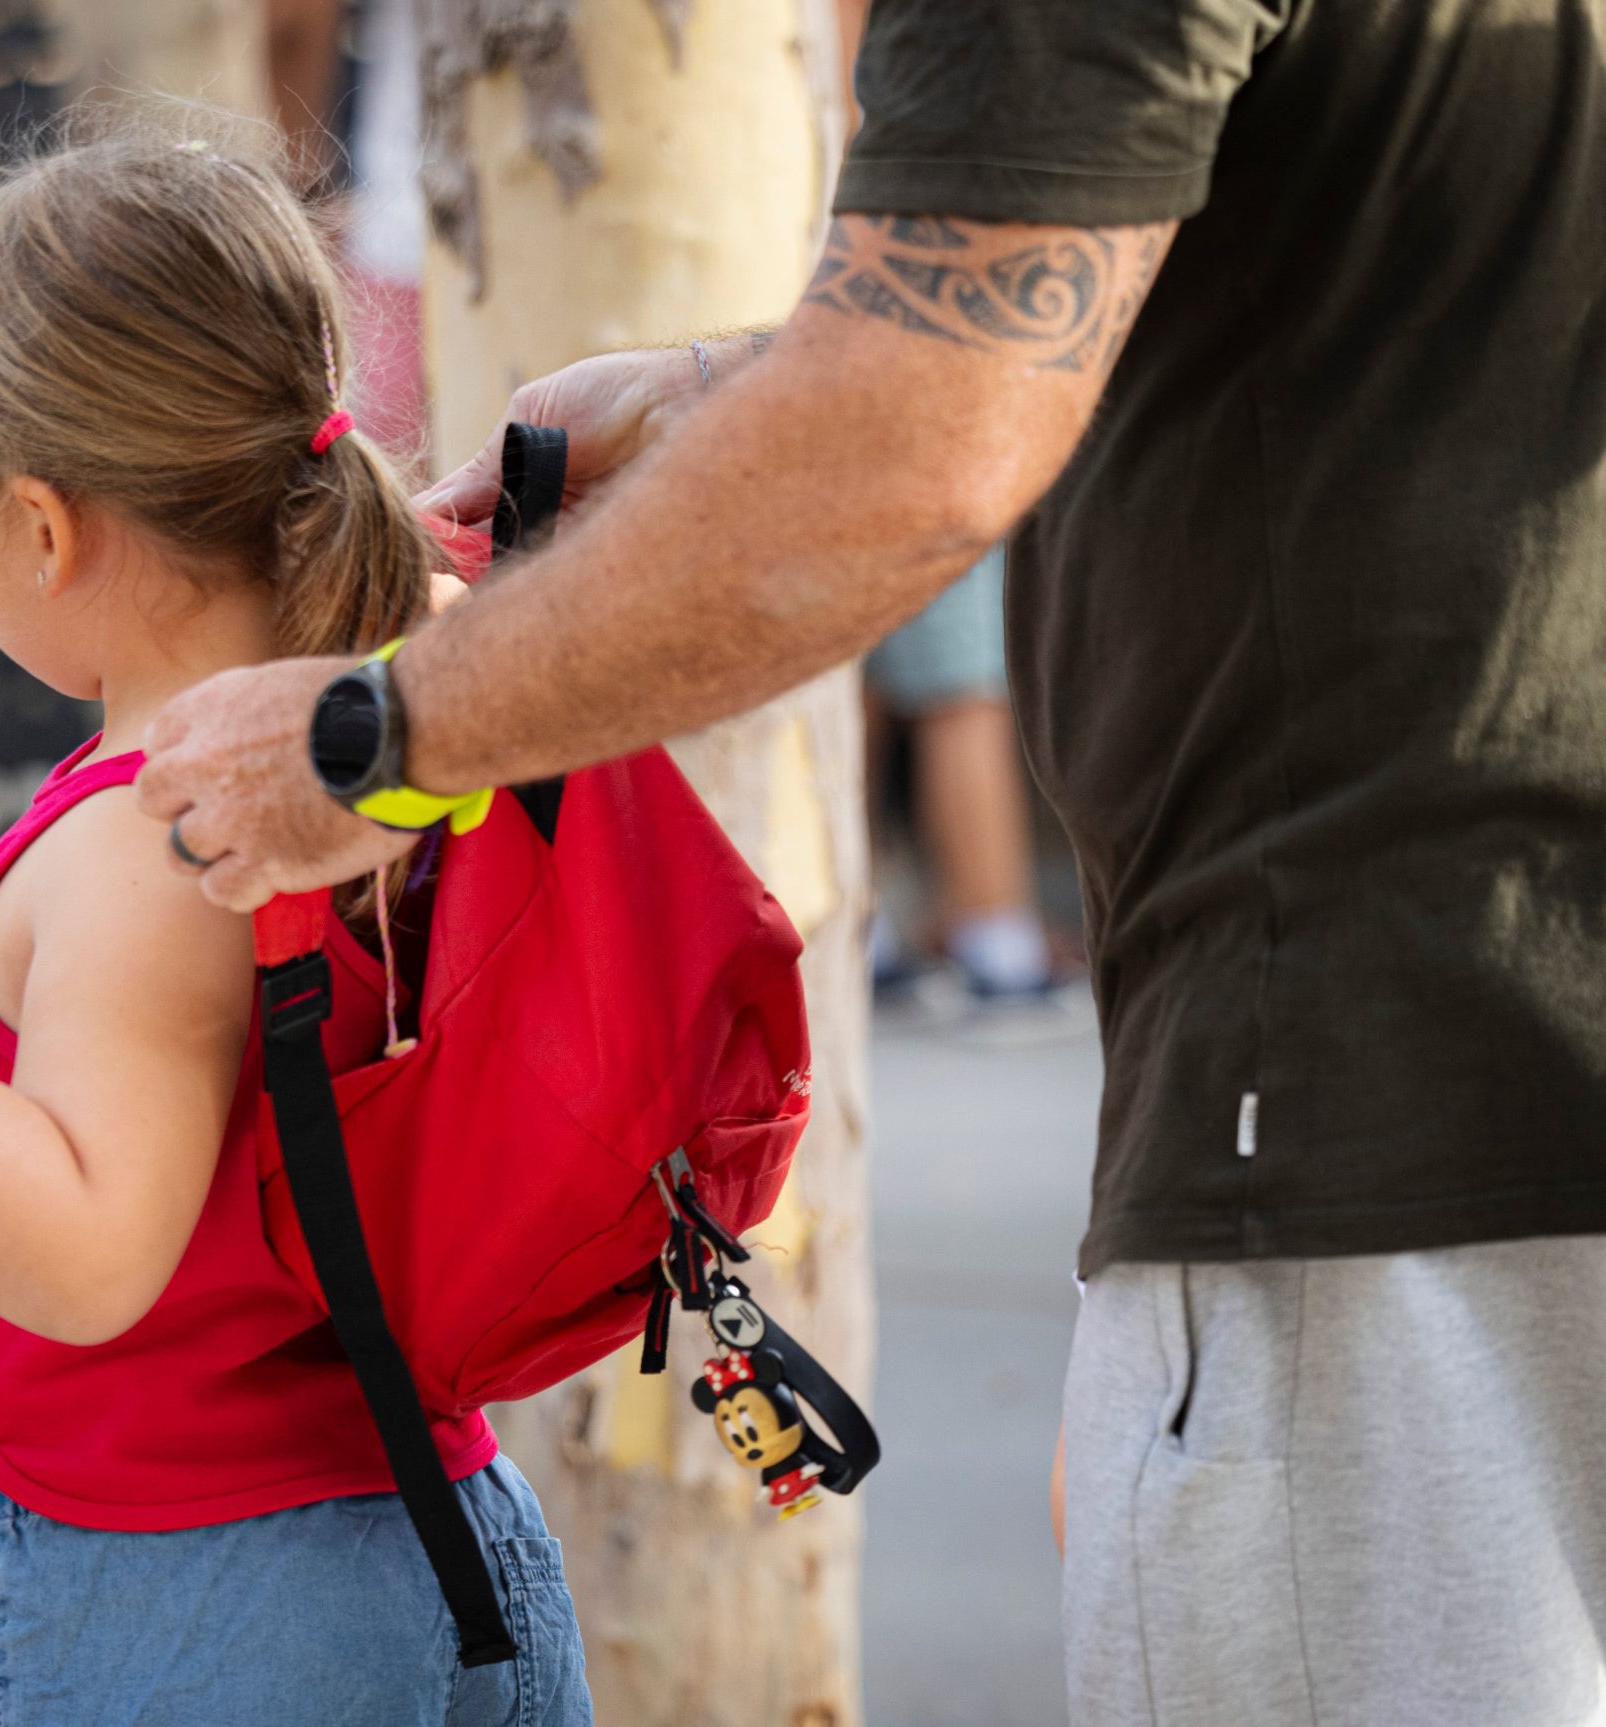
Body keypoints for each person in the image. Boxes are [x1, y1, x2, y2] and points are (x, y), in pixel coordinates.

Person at [137, 3, 1606, 1724]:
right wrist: (734, 388)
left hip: (1398, 1107)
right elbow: (1178, 259)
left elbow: (922, 426)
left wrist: (371, 744)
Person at [0, 121, 588, 1726]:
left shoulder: (157, 838)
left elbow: (89, 1248)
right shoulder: (370, 739)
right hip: (423, 1553)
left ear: (44, 523)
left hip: (194, 1606)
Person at [865, 543, 1078, 1022]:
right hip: (918, 485)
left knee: (855, 674)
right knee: (961, 683)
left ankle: (860, 935)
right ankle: (997, 948)